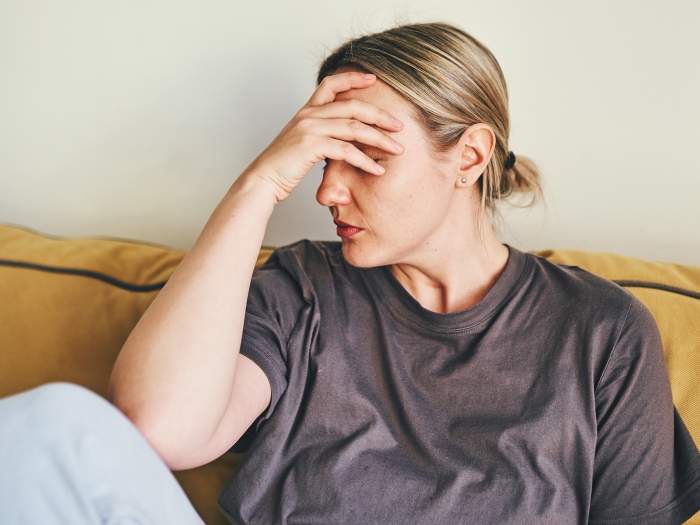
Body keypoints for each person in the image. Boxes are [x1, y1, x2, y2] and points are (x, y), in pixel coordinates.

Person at [1, 22, 700, 525]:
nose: (328, 191)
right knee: (49, 424)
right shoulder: (302, 288)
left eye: (363, 154)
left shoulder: (601, 330)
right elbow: (160, 427)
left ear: (469, 154)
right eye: (322, 156)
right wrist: (259, 184)